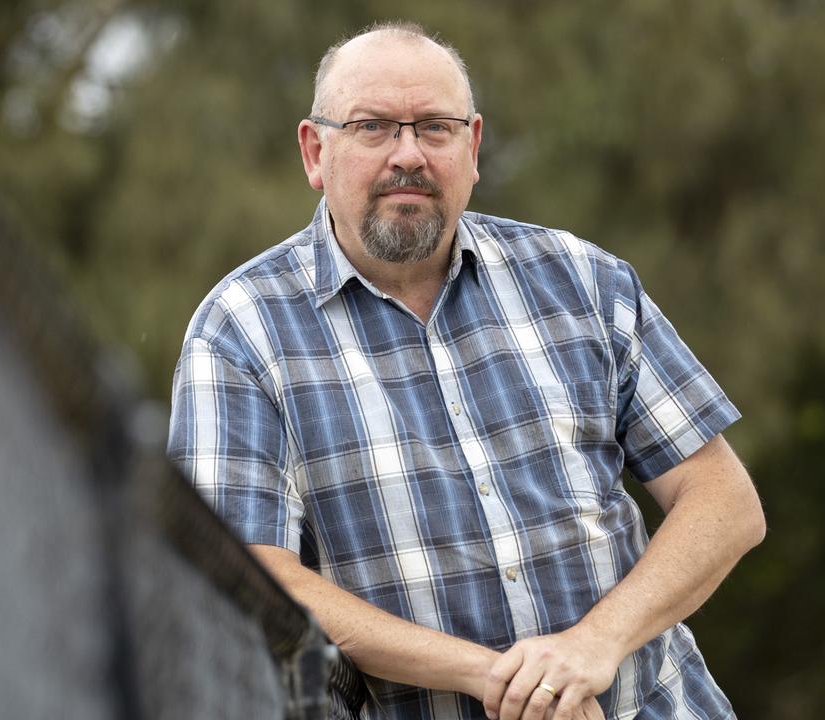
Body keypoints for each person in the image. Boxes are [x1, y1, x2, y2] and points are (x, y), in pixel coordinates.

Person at [168, 20, 765, 720]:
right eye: (373, 127)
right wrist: (503, 680)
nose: (408, 155)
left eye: (435, 128)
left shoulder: (582, 280)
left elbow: (725, 502)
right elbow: (247, 574)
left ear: (474, 147)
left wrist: (593, 645)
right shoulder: (240, 330)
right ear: (314, 149)